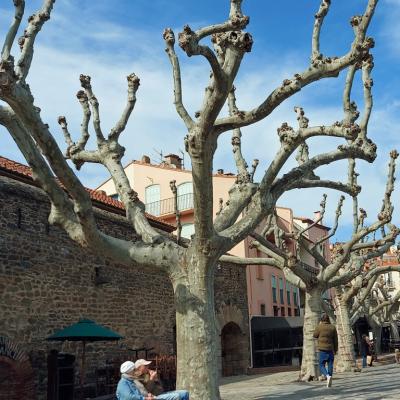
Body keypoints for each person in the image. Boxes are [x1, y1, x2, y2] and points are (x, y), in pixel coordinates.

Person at [116, 360, 189, 400]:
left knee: (185, 392)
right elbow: (145, 391)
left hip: (157, 395)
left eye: (147, 365)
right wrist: (151, 380)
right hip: (153, 397)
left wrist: (156, 379)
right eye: (145, 366)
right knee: (176, 396)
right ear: (139, 368)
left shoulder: (144, 375)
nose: (148, 367)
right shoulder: (134, 379)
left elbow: (160, 389)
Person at [313, 314, 338, 388]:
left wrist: (319, 326)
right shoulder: (333, 327)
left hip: (322, 349)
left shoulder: (319, 327)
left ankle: (327, 376)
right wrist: (335, 350)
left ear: (321, 319)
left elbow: (314, 335)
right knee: (330, 365)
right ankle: (329, 377)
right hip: (330, 349)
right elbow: (335, 340)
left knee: (321, 364)